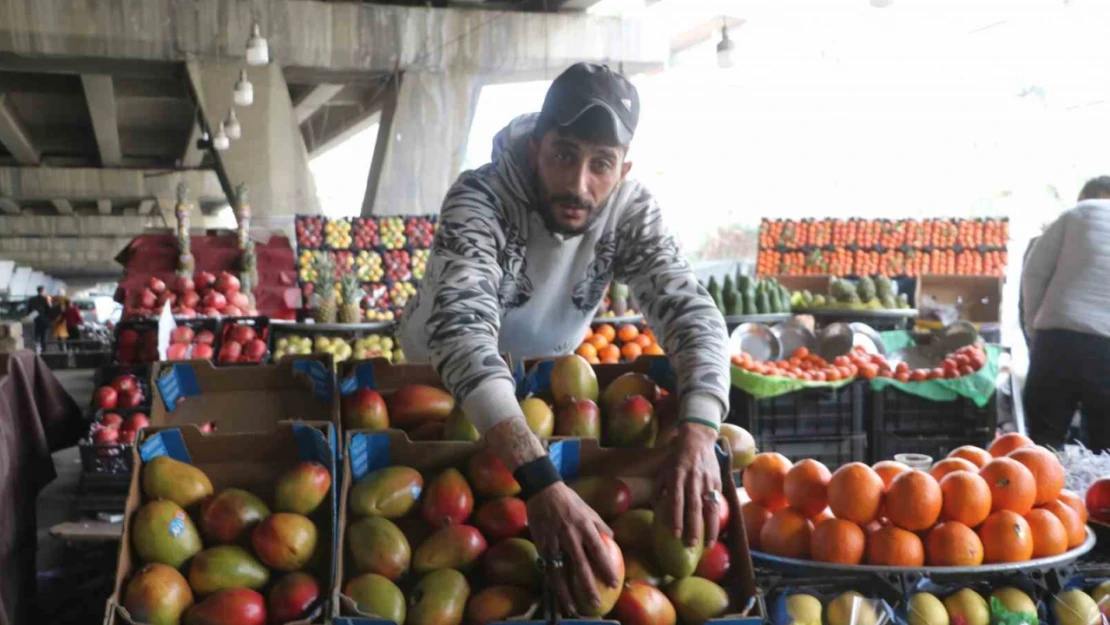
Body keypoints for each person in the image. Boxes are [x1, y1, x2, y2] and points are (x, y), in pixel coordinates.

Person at [400, 63, 730, 613]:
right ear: (536, 149)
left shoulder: (629, 210)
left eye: (600, 164)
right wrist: (541, 482)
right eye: (564, 155)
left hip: (545, 394)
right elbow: (461, 334)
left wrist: (699, 429)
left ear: (622, 170)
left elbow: (690, 309)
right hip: (438, 397)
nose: (579, 184)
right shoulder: (481, 198)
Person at [1021, 175, 1110, 450]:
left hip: (1058, 340)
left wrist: (1035, 328)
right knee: (1105, 451)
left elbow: (1034, 274)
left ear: (1083, 196)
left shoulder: (1074, 215)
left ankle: (1043, 491)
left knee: (1042, 445)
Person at [23, 286, 51, 353]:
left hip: (34, 320)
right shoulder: (45, 299)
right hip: (43, 320)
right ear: (42, 291)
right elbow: (48, 310)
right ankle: (44, 350)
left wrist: (29, 317)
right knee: (43, 336)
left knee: (35, 335)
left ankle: (35, 348)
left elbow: (28, 310)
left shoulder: (32, 299)